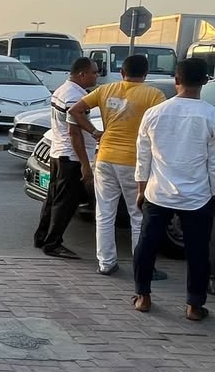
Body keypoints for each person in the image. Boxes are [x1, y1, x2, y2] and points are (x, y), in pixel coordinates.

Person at [132, 57, 215, 320]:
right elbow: (213, 163)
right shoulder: (211, 115)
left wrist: (141, 189)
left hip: (158, 192)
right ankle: (194, 305)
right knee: (198, 251)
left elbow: (143, 157)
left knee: (147, 245)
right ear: (205, 81)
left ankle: (143, 296)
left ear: (176, 80)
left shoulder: (154, 113)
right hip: (198, 196)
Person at [68, 54, 166, 276]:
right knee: (138, 215)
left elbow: (74, 110)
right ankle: (142, 266)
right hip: (134, 162)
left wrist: (94, 131)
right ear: (146, 73)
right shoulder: (154, 95)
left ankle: (106, 263)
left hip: (105, 158)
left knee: (104, 213)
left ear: (122, 72)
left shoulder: (105, 90)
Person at [34, 56, 100, 259]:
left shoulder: (63, 90)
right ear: (82, 74)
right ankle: (53, 244)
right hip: (70, 157)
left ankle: (42, 236)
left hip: (59, 153)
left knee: (53, 199)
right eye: (94, 72)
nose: (97, 76)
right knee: (65, 203)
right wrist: (85, 164)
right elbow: (74, 133)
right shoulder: (74, 97)